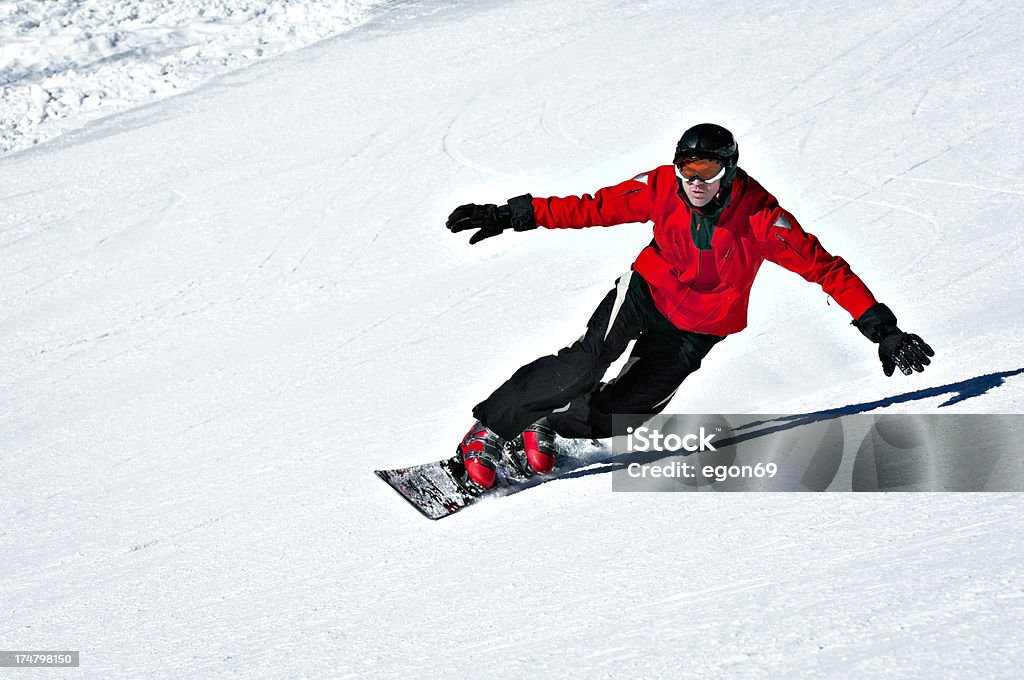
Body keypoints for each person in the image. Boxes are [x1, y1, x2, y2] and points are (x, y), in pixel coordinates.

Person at [445, 123, 934, 493]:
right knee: (584, 363)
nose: (694, 181)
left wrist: (883, 329)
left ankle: (547, 425)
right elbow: (591, 206)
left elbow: (826, 269)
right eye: (687, 169)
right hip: (646, 293)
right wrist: (512, 214)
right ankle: (487, 431)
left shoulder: (764, 219)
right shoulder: (660, 188)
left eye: (707, 172)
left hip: (700, 326)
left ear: (729, 171)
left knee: (626, 413)